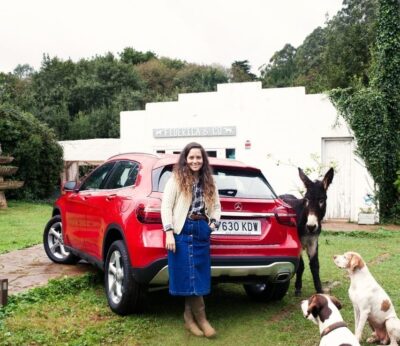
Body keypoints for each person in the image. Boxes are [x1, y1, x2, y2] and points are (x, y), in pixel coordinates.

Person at [161, 142, 221, 338]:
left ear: (203, 160)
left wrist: (212, 225)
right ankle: (201, 320)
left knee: (197, 275)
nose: (195, 161)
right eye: (191, 157)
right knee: (188, 275)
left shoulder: (209, 181)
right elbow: (166, 207)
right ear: (185, 159)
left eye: (199, 157)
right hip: (182, 230)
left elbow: (217, 207)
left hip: (201, 230)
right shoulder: (176, 180)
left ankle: (189, 318)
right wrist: (169, 232)